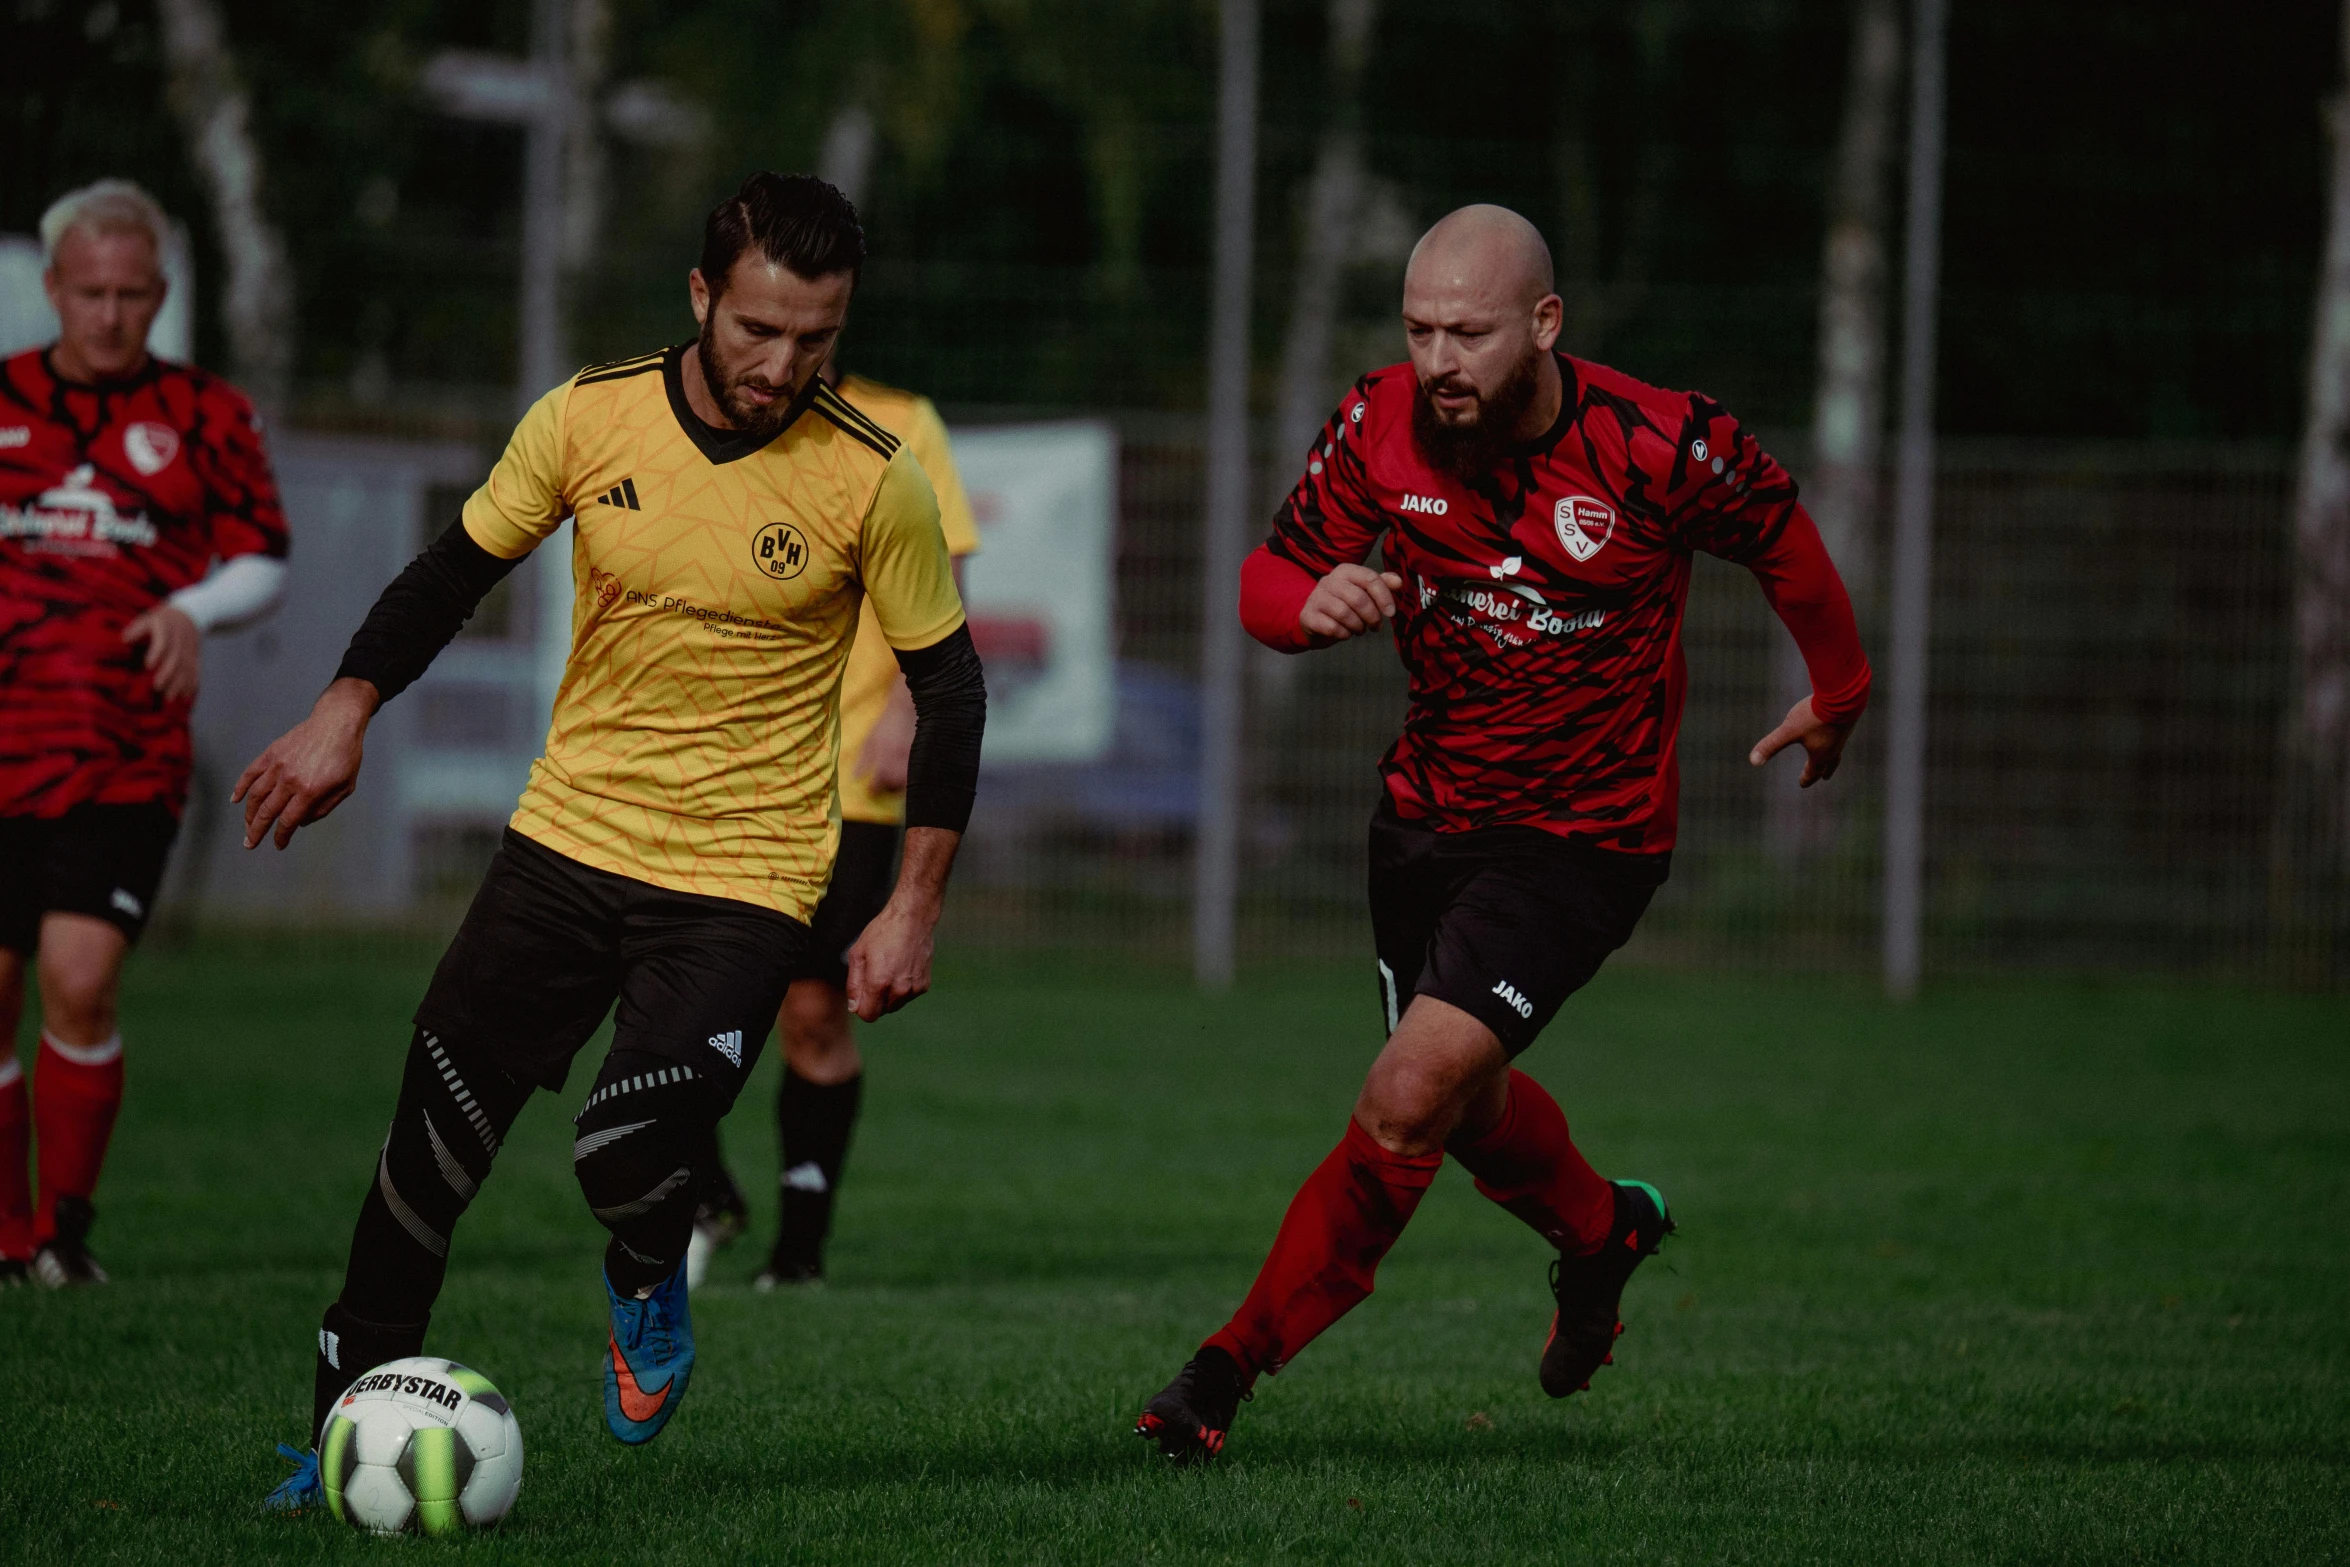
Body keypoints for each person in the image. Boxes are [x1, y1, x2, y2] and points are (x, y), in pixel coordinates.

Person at [242, 173, 985, 1508]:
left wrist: (913, 900)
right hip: (563, 843)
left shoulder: (878, 480)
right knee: (425, 1158)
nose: (784, 364)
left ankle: (648, 1270)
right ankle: (335, 1441)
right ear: (700, 294)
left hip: (745, 878)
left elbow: (950, 692)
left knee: (621, 1145)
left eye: (818, 336)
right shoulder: (589, 417)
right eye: (759, 327)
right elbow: (453, 572)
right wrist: (340, 709)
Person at [1135, 205, 1871, 1462]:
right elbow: (1268, 577)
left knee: (1408, 1089)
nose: (1437, 361)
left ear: (1542, 324)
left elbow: (1785, 546)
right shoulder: (1377, 422)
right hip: (1424, 820)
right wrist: (1304, 608)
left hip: (1586, 837)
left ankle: (1221, 1372)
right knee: (1458, 1104)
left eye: (1467, 332)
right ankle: (1601, 1231)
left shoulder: (1658, 442)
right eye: (1418, 329)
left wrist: (1838, 690)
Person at [0, 178, 289, 1289]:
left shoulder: (206, 415)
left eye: (132, 294)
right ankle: (10, 1235)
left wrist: (191, 607)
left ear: (159, 293)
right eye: (90, 293)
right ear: (52, 288)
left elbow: (262, 552)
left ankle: (66, 1238)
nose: (111, 315)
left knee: (77, 979)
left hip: (123, 751)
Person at [684, 356, 982, 1291]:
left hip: (844, 774)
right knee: (667, 991)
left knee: (813, 1009)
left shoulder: (899, 419)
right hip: (719, 765)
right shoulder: (695, 415)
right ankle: (705, 1193)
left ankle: (800, 1251)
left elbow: (945, 571)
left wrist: (906, 707)